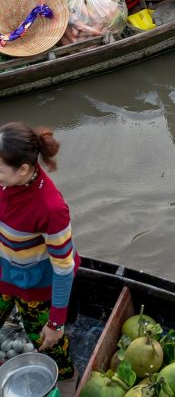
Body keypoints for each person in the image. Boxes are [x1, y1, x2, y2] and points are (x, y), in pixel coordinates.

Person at [0, 123, 79, 392]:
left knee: (46, 340)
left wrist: (56, 323)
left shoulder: (50, 208)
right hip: (5, 271)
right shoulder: (5, 184)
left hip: (36, 286)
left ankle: (68, 379)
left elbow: (64, 269)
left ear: (23, 169)